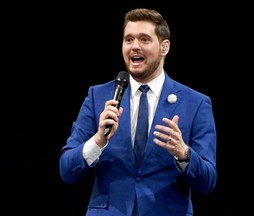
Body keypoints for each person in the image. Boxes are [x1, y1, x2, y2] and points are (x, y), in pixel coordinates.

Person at [59, 8, 217, 216]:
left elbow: (207, 181)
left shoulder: (195, 103)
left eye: (144, 39)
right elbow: (66, 170)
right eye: (128, 39)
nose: (134, 46)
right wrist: (97, 141)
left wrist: (183, 154)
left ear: (164, 47)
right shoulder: (99, 96)